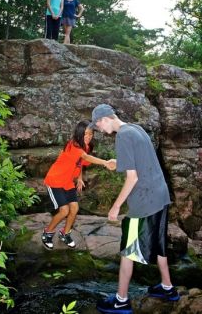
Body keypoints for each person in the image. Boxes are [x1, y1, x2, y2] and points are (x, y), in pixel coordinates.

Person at [89, 104, 180, 314]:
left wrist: (116, 206)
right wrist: (117, 161)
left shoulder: (122, 136)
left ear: (104, 119)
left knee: (128, 251)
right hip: (160, 195)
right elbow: (142, 159)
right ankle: (168, 288)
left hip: (144, 201)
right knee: (159, 244)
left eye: (98, 125)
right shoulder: (135, 129)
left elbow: (133, 177)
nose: (100, 130)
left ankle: (121, 300)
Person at [42, 120, 115, 250]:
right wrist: (105, 162)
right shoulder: (73, 145)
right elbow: (85, 157)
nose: (88, 137)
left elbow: (80, 162)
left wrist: (80, 178)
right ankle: (47, 233)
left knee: (74, 208)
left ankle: (65, 233)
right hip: (55, 181)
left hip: (67, 182)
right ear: (79, 133)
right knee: (64, 210)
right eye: (85, 134)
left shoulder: (85, 147)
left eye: (91, 134)